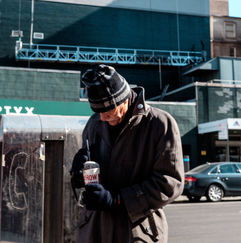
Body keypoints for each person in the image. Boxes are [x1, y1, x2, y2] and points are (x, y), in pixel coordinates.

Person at [71, 64, 184, 243]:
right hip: (95, 230)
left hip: (136, 230)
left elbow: (170, 183)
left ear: (123, 99)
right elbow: (90, 176)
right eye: (97, 112)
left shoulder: (160, 124)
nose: (101, 118)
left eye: (107, 112)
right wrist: (78, 175)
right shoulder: (94, 124)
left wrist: (118, 200)